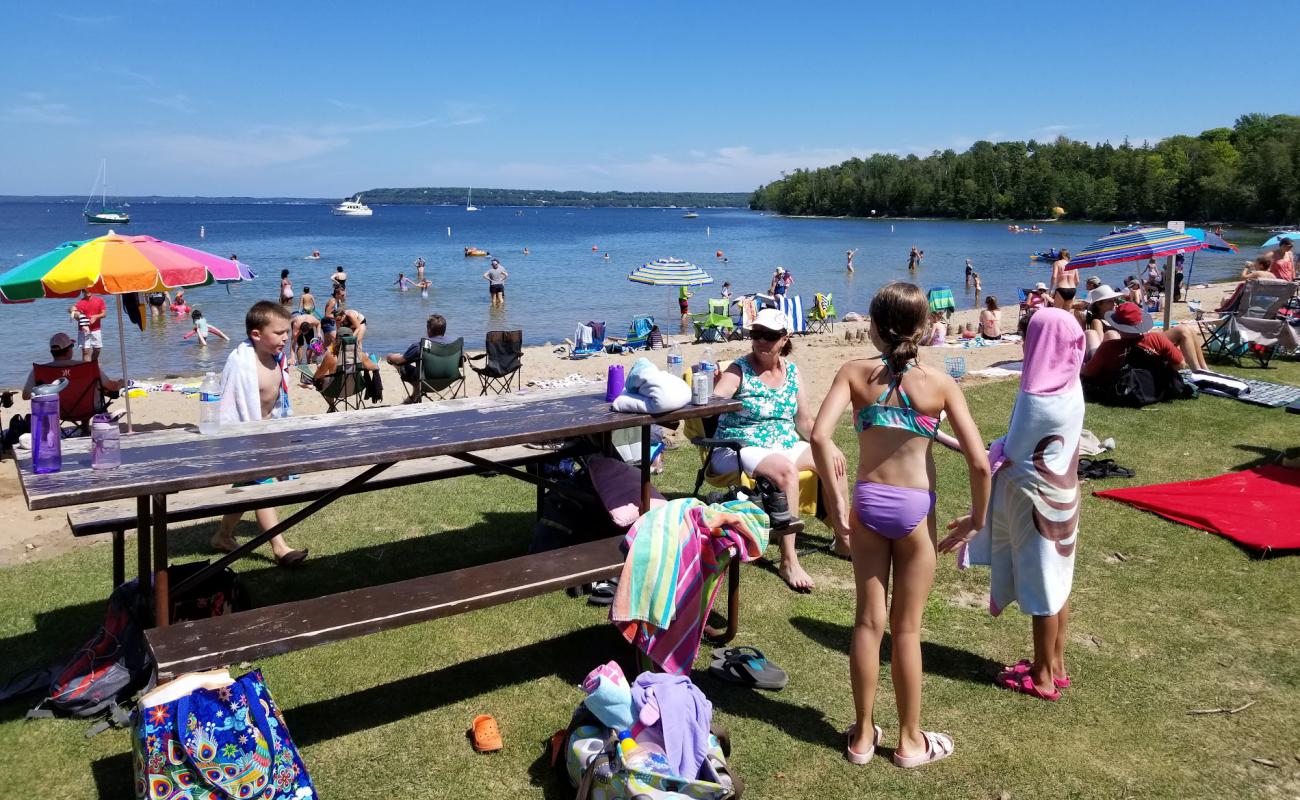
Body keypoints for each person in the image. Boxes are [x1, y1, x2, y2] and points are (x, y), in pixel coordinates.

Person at [811, 282, 989, 768]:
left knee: (869, 622)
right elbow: (979, 462)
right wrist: (978, 517)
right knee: (907, 631)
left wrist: (837, 501)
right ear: (926, 328)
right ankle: (910, 742)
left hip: (868, 503)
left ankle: (862, 737)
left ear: (872, 327)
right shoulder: (940, 383)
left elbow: (819, 436)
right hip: (915, 509)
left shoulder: (853, 373)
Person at [942, 308, 1084, 702]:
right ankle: (1056, 663)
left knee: (1040, 588)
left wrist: (992, 452)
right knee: (1058, 582)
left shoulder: (1036, 396)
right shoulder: (1071, 385)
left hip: (1034, 504)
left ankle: (1041, 677)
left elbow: (1017, 451)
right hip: (1064, 497)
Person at [712, 307, 833, 592]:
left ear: (784, 339)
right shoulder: (737, 369)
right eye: (756, 334)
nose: (761, 341)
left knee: (830, 458)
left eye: (769, 335)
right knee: (785, 471)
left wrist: (825, 442)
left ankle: (843, 536)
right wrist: (713, 384)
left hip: (782, 443)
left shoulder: (792, 372)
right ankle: (788, 559)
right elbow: (712, 404)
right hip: (738, 444)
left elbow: (803, 421)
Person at [210, 301, 308, 568]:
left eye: (287, 332)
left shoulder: (276, 358)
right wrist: (235, 438)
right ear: (256, 335)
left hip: (267, 434)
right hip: (245, 436)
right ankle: (280, 548)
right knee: (263, 487)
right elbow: (230, 404)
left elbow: (278, 400)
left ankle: (223, 536)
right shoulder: (241, 363)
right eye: (278, 333)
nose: (286, 337)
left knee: (246, 487)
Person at [1080, 302, 1185, 387]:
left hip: (1122, 386)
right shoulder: (1157, 339)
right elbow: (1180, 364)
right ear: (1141, 322)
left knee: (1090, 334)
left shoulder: (1109, 347)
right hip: (1153, 385)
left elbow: (1089, 373)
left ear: (1117, 325)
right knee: (1096, 335)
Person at [23, 332, 124, 399]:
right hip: (87, 409)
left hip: (57, 411)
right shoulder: (87, 367)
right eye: (72, 346)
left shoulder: (40, 370)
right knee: (98, 388)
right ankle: (85, 425)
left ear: (52, 352)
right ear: (68, 350)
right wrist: (121, 383)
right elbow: (112, 386)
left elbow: (26, 395)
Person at [387, 314, 451, 388]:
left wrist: (390, 356)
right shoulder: (453, 343)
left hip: (425, 382)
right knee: (420, 361)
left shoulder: (422, 346)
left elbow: (399, 361)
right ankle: (415, 396)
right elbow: (463, 358)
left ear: (428, 329)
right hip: (447, 380)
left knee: (401, 364)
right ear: (444, 329)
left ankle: (416, 394)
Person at [1082, 284, 1123, 360]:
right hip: (1110, 358)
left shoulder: (1113, 318)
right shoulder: (1097, 322)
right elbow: (1100, 346)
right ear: (1098, 304)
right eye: (1109, 301)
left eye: (1114, 300)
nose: (1114, 304)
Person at [70, 289, 107, 362]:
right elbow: (75, 315)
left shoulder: (99, 300)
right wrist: (72, 311)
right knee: (86, 351)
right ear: (82, 292)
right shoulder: (79, 303)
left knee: (97, 349)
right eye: (84, 290)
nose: (87, 292)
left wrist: (96, 317)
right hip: (83, 330)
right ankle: (86, 368)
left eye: (88, 290)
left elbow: (104, 314)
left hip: (96, 329)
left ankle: (93, 364)